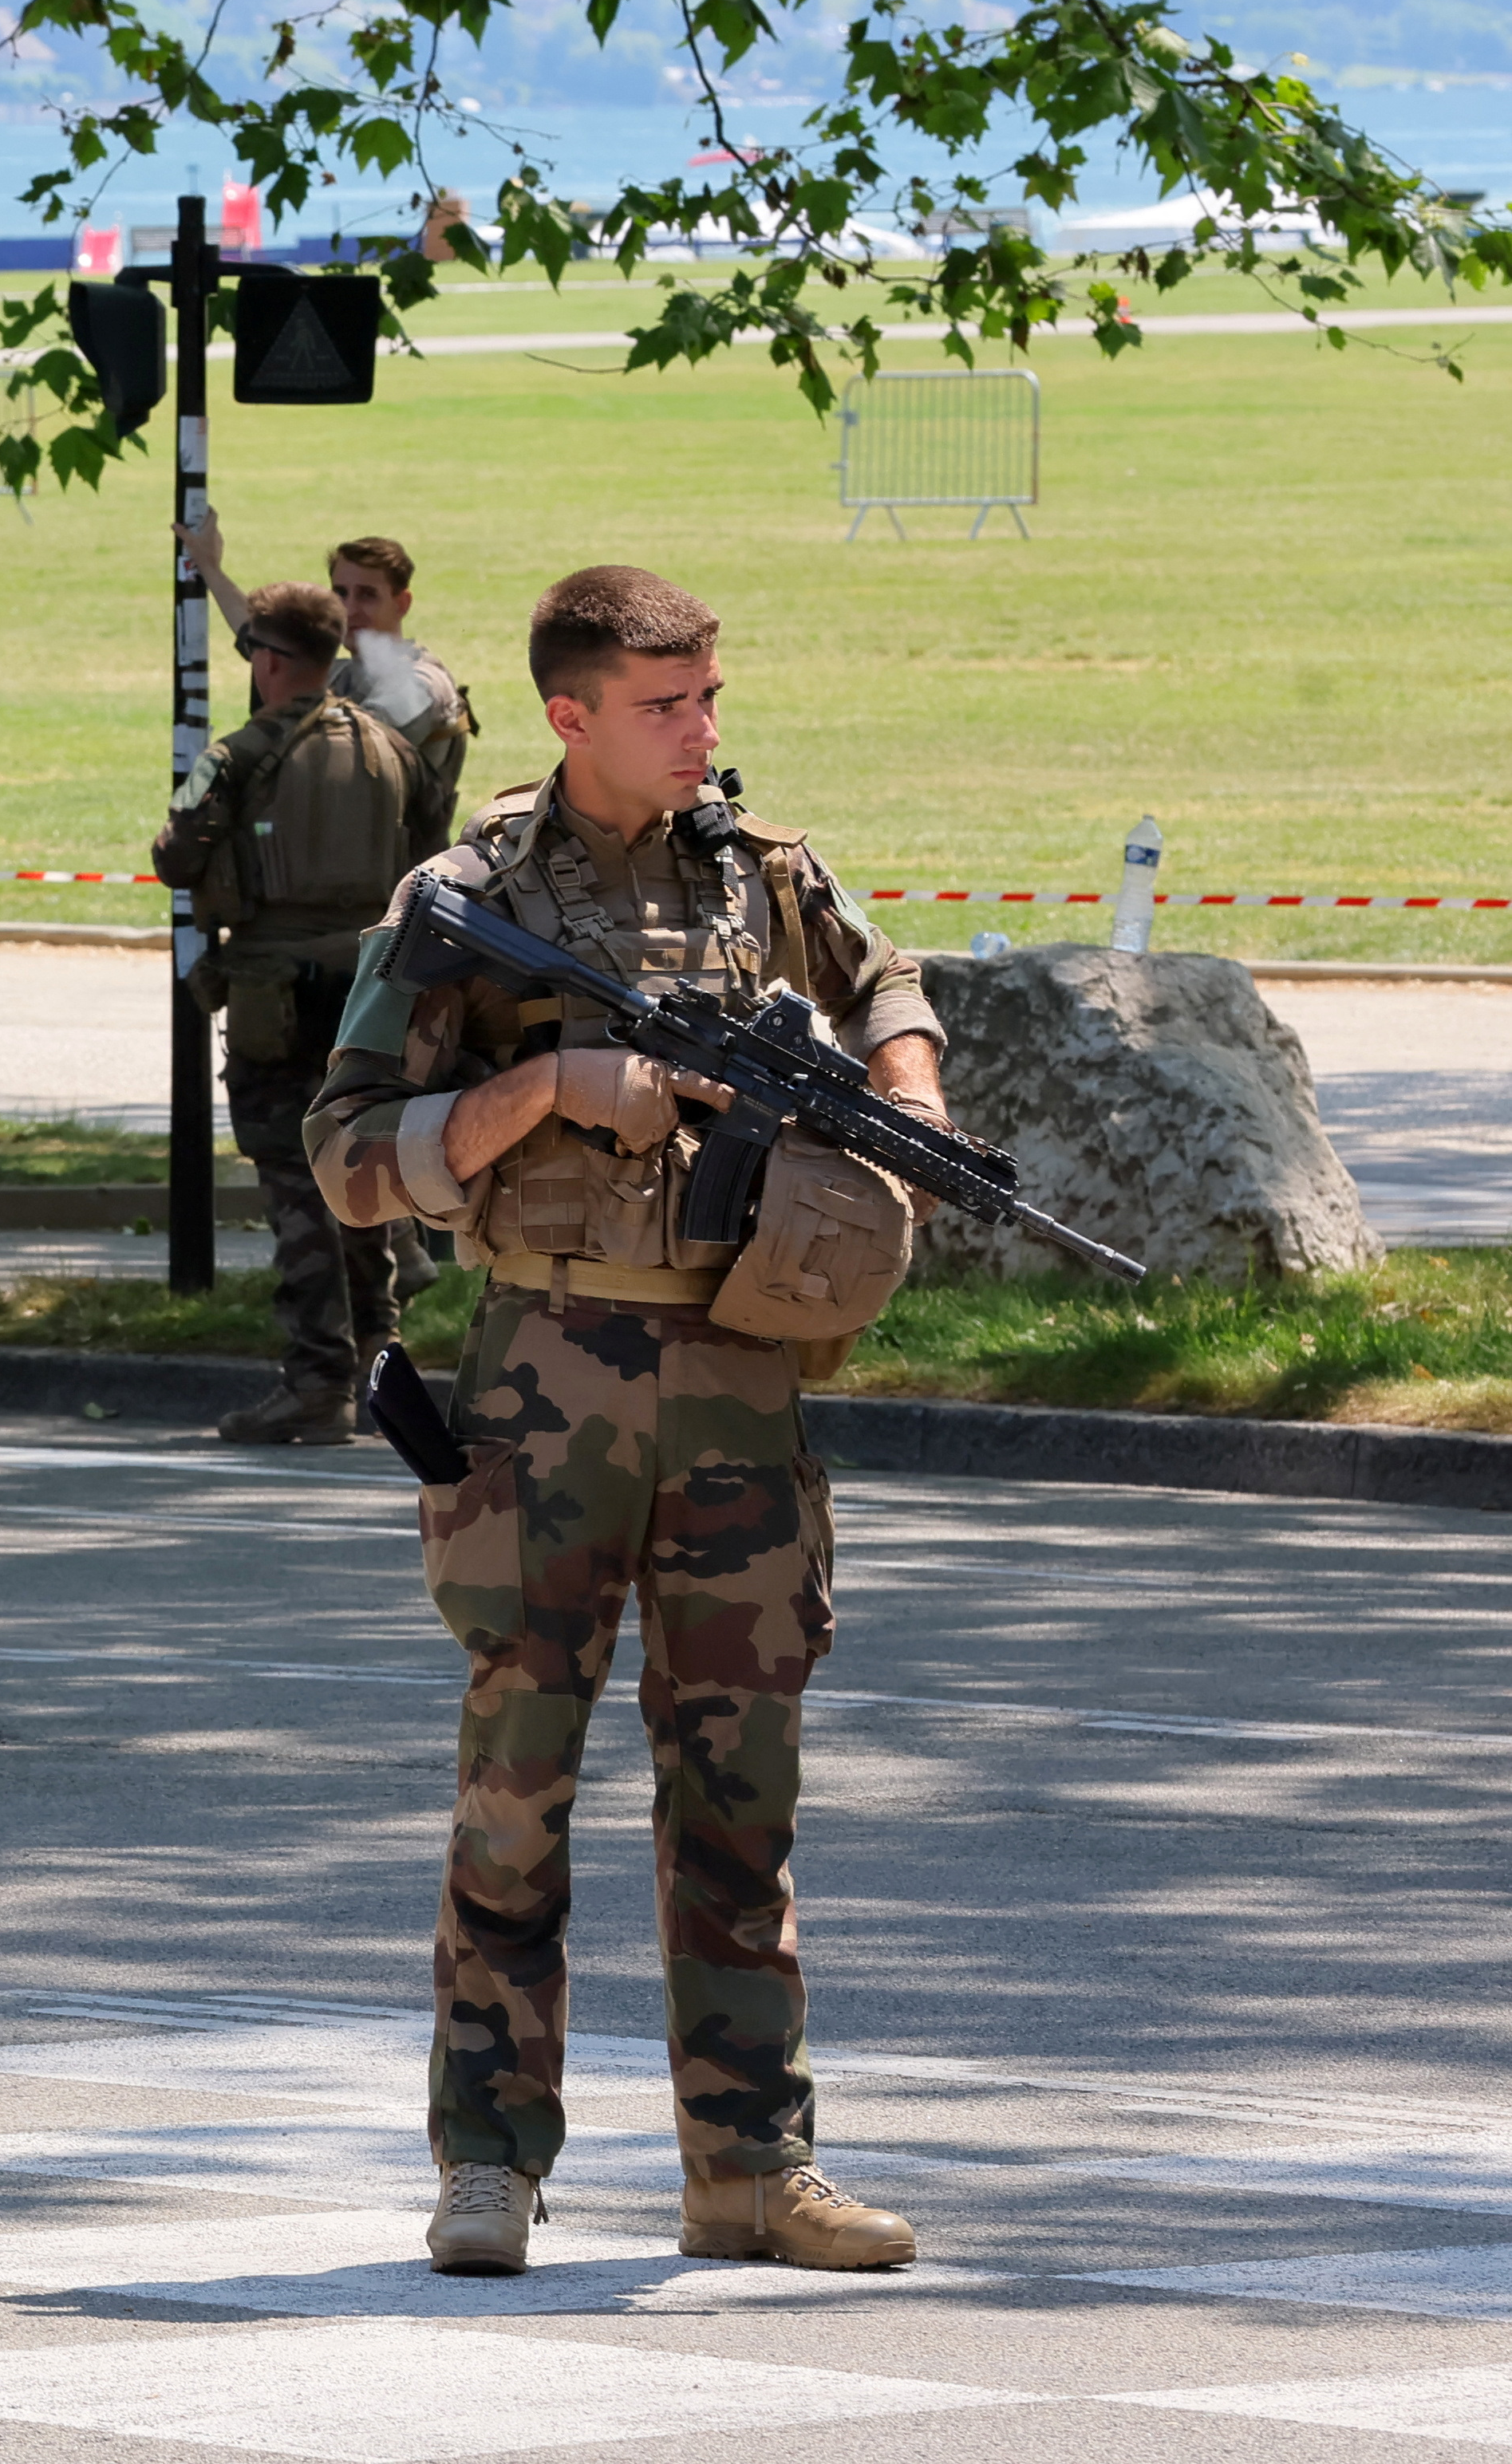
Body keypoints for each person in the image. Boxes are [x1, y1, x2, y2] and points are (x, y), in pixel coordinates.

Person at [308, 564, 944, 2281]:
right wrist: (541, 1090)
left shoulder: (761, 872)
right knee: (516, 1789)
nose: (703, 729)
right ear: (570, 715)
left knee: (741, 1798)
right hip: (546, 1384)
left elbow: (889, 985)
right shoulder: (462, 898)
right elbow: (347, 1154)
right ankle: (488, 2166)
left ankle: (751, 2171)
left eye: (712, 697)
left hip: (740, 1380)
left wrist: (905, 1100)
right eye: (667, 704)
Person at [149, 570, 446, 1443]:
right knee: (363, 1184)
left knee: (295, 1189)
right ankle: (377, 1369)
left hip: (276, 1001)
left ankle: (318, 1381)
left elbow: (177, 855)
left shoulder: (239, 755)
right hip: (372, 996)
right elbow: (434, 856)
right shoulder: (396, 750)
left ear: (272, 659)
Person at [189, 508, 476, 818]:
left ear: (401, 603)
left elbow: (350, 753)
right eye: (340, 593)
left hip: (392, 861)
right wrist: (210, 568)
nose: (349, 609)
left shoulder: (421, 684)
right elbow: (261, 639)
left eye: (367, 595)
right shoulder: (344, 672)